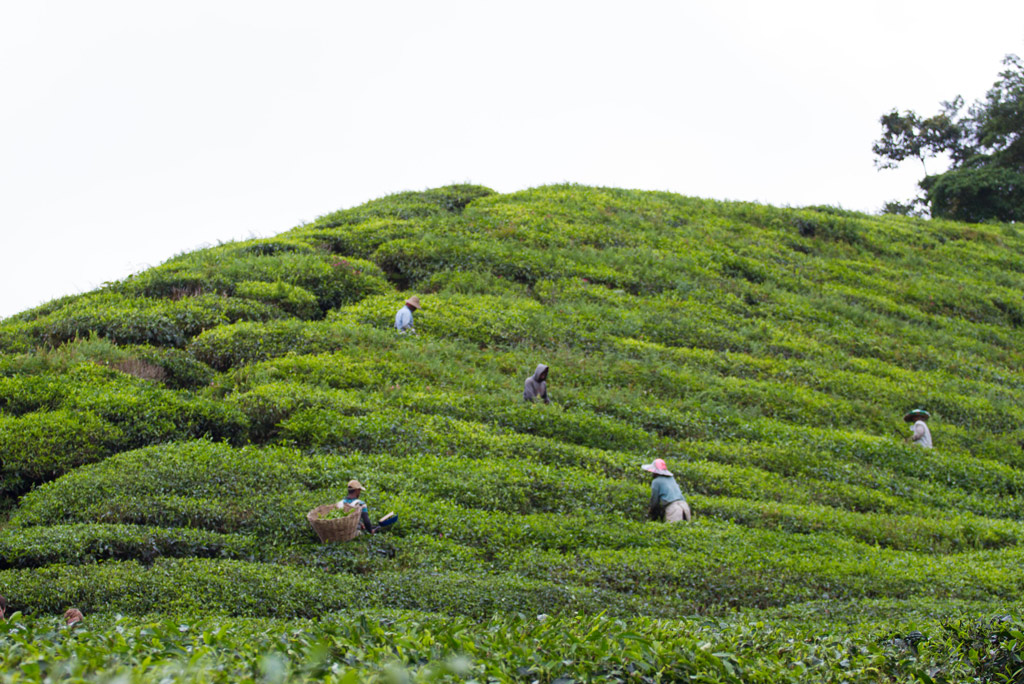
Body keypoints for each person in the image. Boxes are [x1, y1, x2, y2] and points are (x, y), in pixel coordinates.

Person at [642, 458, 691, 522]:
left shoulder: (656, 481)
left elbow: (654, 501)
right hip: (684, 507)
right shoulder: (671, 478)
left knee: (674, 530)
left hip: (674, 509)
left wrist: (651, 512)